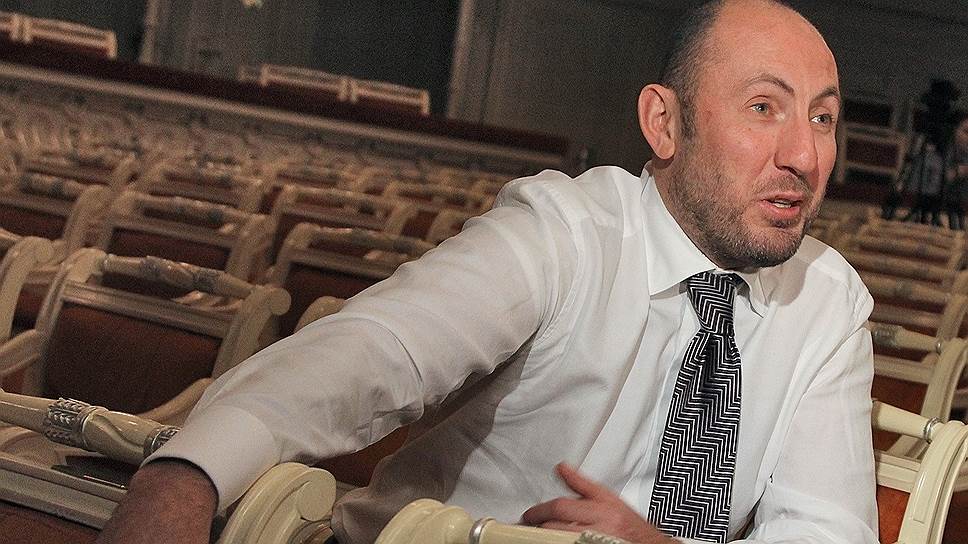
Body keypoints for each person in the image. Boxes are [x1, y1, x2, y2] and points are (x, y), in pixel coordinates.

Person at [97, 1, 877, 543]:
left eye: (823, 117)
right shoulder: (564, 234)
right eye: (765, 108)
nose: (804, 155)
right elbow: (374, 353)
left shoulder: (828, 300)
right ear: (664, 122)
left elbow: (827, 534)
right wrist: (188, 474)